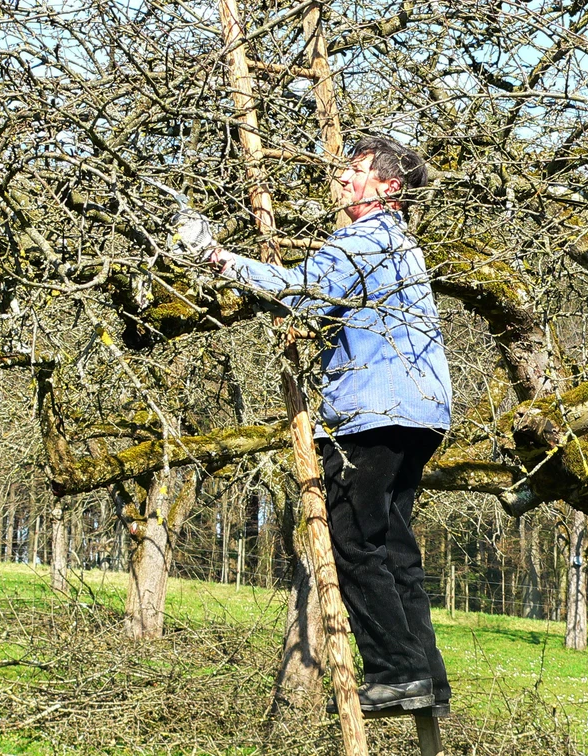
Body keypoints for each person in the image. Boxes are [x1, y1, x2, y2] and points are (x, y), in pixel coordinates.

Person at [185, 136, 452, 713]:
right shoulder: (406, 246)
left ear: (389, 187)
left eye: (356, 172)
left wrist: (216, 257)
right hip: (423, 412)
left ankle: (397, 674)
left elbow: (301, 293)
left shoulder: (364, 237)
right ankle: (428, 678)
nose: (341, 180)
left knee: (353, 541)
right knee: (395, 546)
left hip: (372, 413)